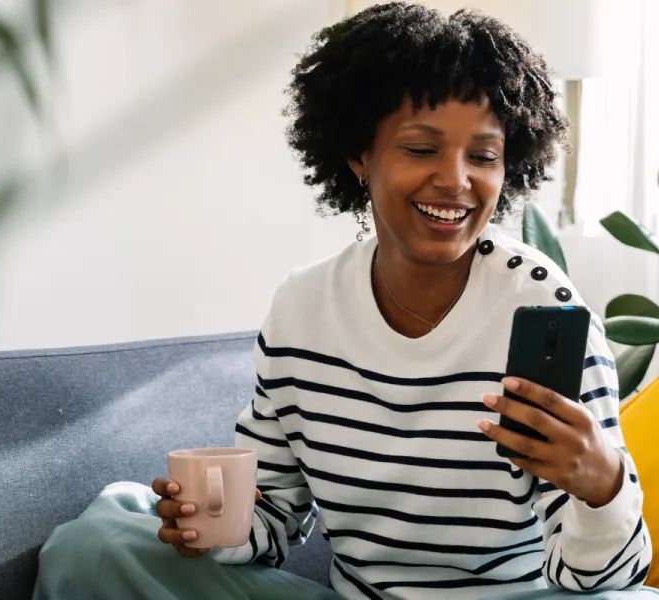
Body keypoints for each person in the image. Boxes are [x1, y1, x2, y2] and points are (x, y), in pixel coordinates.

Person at [32, 3, 657, 599]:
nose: (456, 180)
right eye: (421, 149)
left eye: (484, 156)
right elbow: (273, 519)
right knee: (98, 542)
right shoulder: (303, 309)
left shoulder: (543, 308)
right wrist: (208, 527)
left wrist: (601, 485)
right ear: (360, 153)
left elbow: (607, 579)